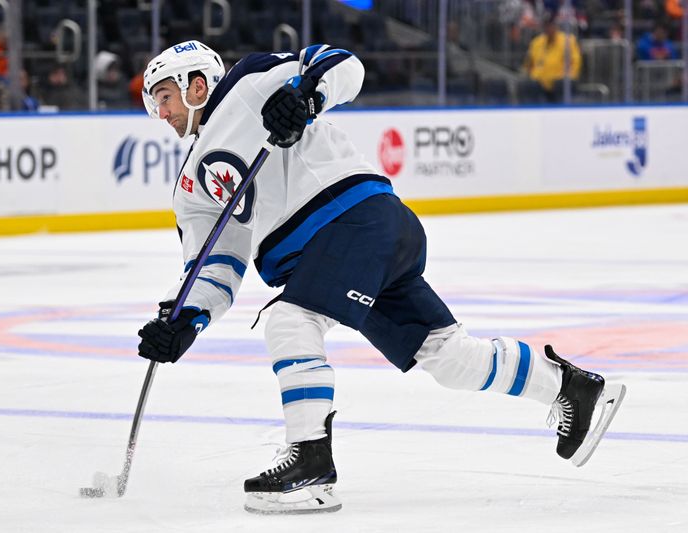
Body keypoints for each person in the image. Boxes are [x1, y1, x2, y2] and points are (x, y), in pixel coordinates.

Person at [136, 40, 626, 514]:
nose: (162, 114)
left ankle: (310, 462)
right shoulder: (191, 188)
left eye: (164, 98)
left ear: (196, 84)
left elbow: (341, 63)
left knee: (290, 319)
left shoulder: (252, 82)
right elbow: (214, 265)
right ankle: (569, 387)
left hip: (354, 221)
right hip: (357, 245)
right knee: (448, 357)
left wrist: (308, 96)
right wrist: (183, 320)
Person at [523, 11, 582, 102]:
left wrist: (567, 78)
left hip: (559, 84)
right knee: (529, 86)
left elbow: (575, 63)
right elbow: (529, 63)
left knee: (561, 87)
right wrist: (531, 76)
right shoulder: (537, 42)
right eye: (546, 26)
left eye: (550, 25)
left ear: (555, 26)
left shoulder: (567, 41)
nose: (548, 28)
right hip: (540, 84)